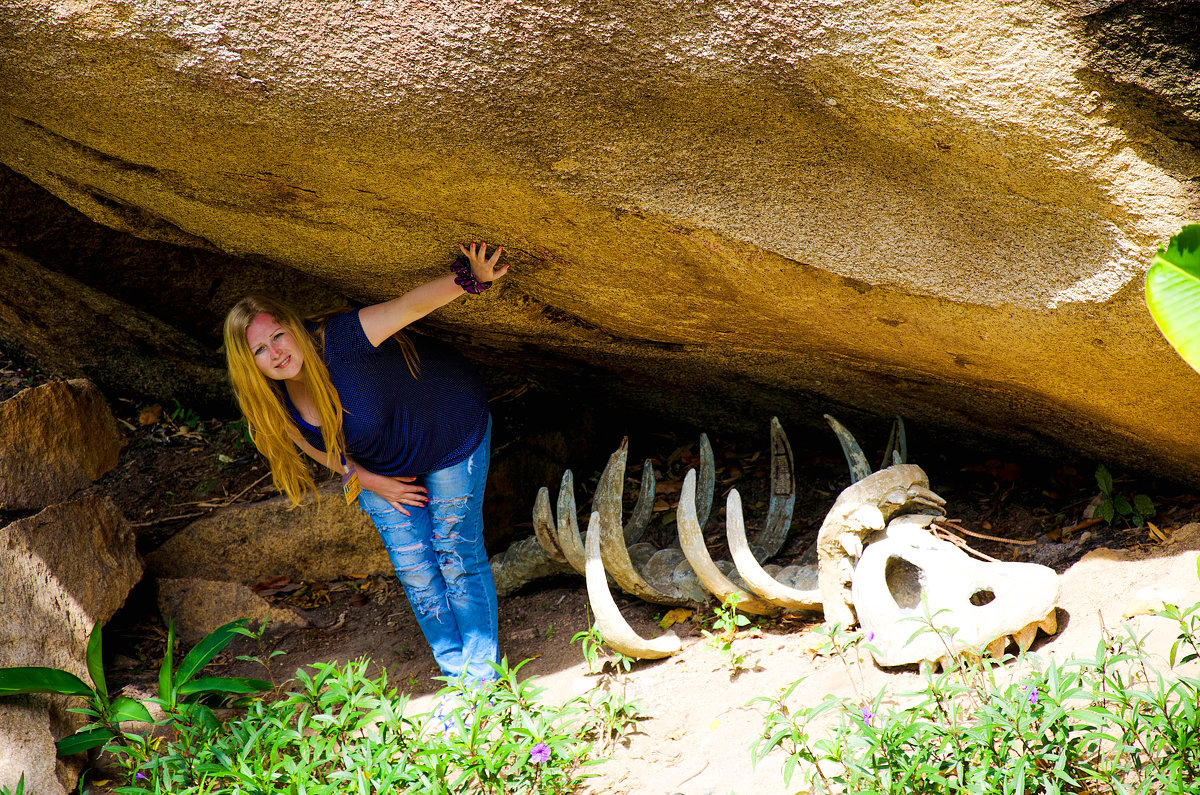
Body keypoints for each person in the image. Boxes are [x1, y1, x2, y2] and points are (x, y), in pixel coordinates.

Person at [222, 243, 509, 685]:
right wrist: (372, 480)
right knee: (415, 569)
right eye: (260, 350)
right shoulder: (271, 400)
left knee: (454, 550)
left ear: (293, 328)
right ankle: (458, 678)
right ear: (250, 364)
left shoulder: (343, 340)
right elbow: (317, 445)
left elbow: (408, 306)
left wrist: (471, 279)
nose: (276, 353)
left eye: (277, 336)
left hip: (450, 432)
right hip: (383, 468)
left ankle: (482, 682)